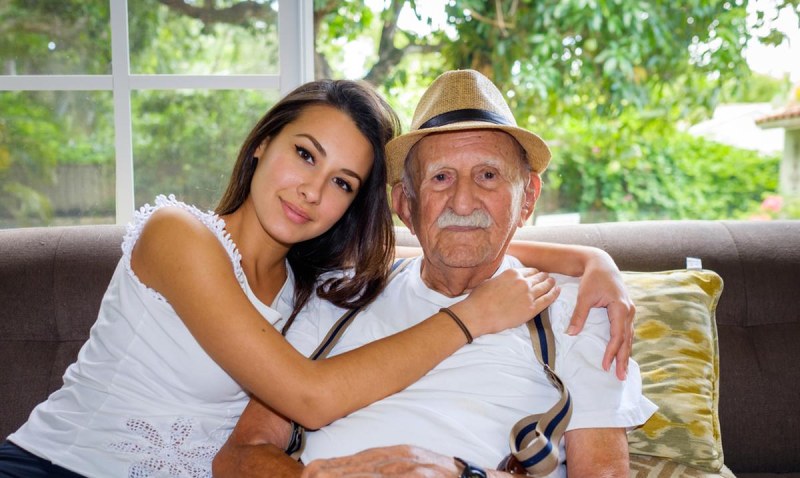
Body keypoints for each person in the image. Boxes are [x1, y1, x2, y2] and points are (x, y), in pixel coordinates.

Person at [0, 79, 629, 478]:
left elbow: (451, 231)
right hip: (60, 466)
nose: (311, 189)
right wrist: (472, 318)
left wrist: (591, 262)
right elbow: (309, 398)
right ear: (260, 144)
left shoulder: (321, 282)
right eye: (305, 154)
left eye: (342, 184)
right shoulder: (178, 235)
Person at [213, 70, 657, 477]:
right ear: (405, 205)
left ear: (528, 199)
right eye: (441, 178)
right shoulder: (341, 294)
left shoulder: (578, 309)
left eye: (488, 175)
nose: (463, 203)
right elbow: (238, 456)